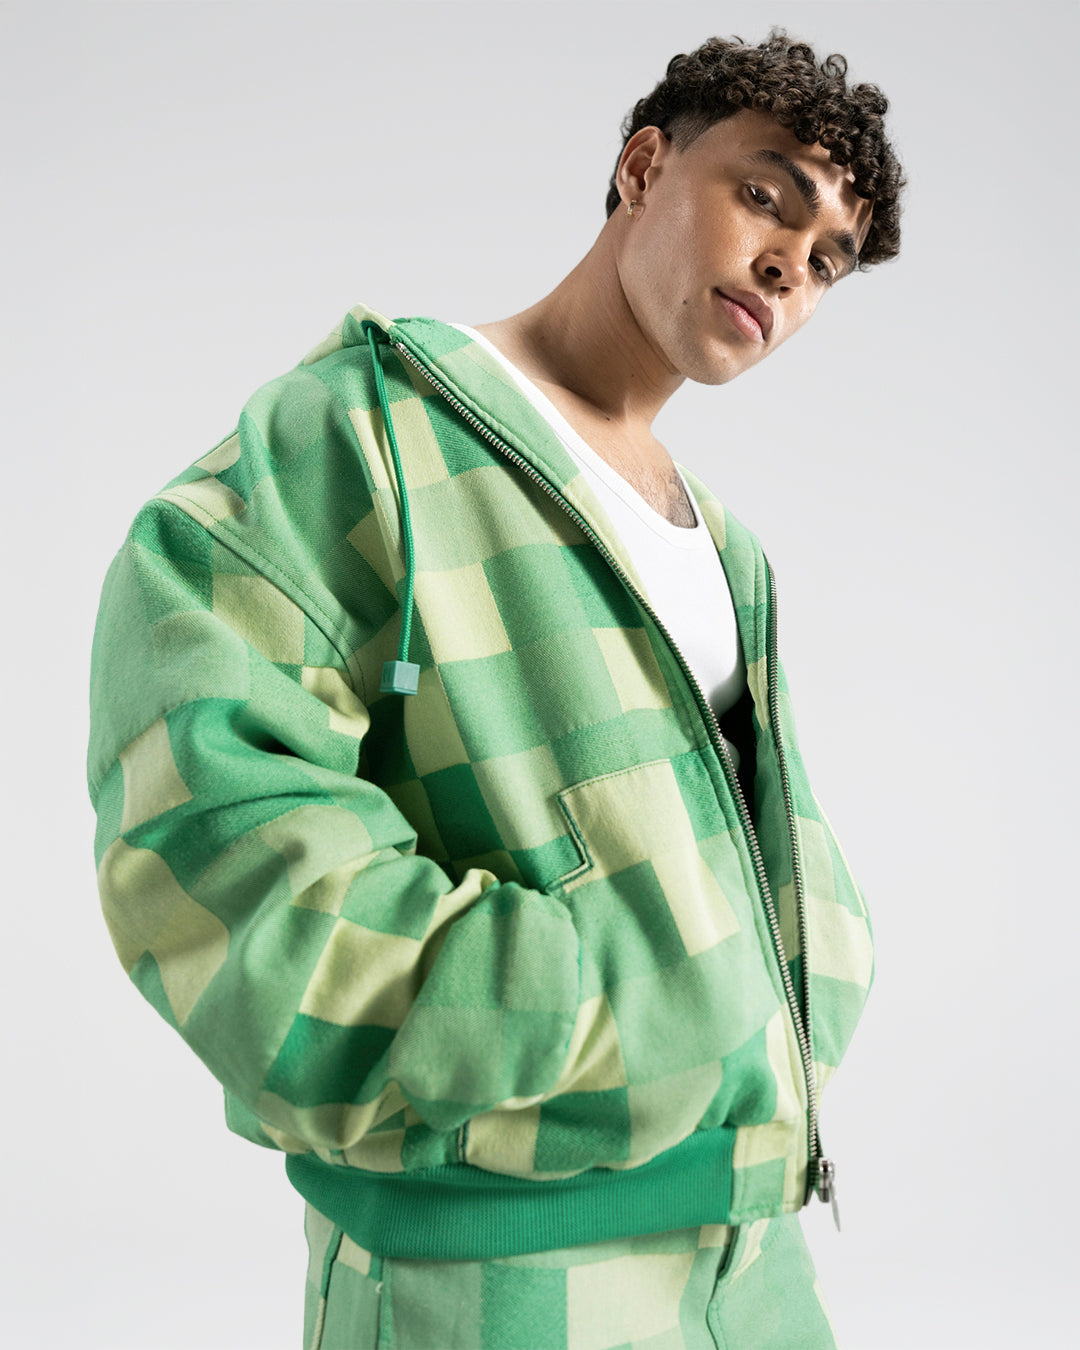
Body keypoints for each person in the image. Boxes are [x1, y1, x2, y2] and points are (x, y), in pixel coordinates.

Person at [88, 28, 903, 1350]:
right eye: (767, 196)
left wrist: (819, 965)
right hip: (492, 1279)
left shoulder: (728, 551)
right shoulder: (364, 433)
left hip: (754, 1262)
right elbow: (213, 844)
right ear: (644, 166)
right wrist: (609, 1000)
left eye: (826, 262)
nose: (787, 269)